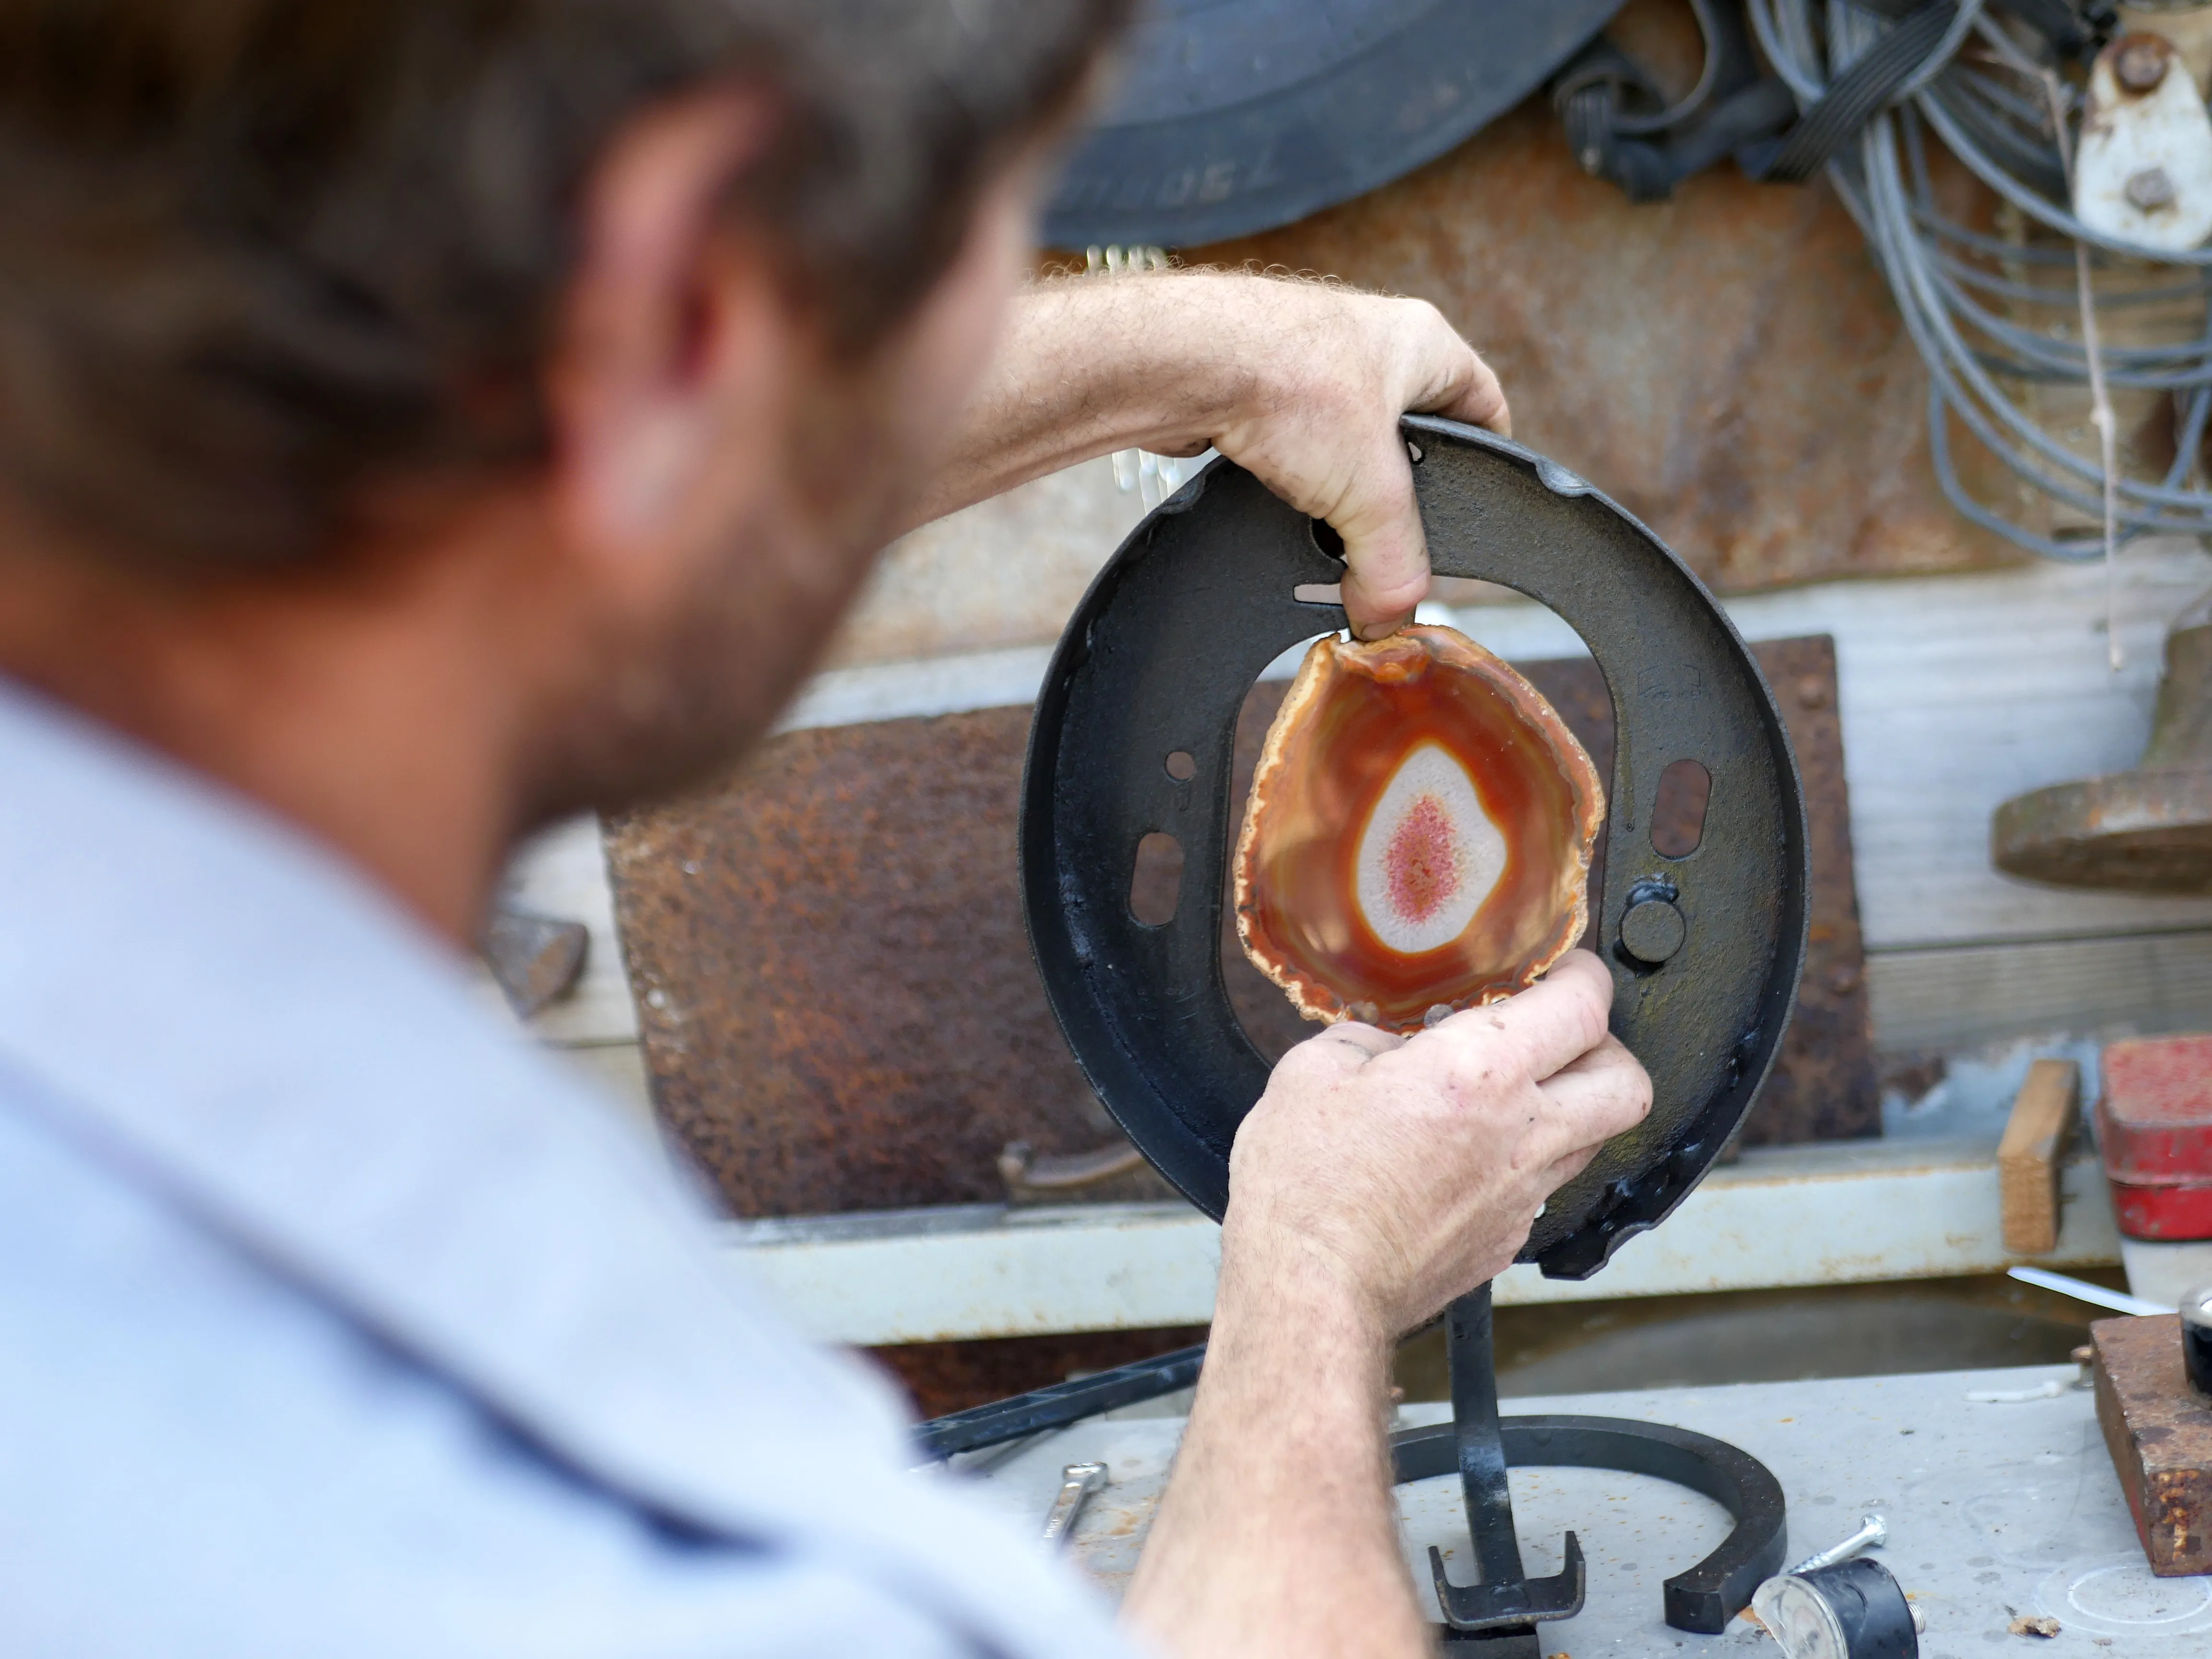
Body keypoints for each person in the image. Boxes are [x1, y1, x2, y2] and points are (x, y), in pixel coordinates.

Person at [0, 3, 1652, 1656]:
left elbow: (660, 421)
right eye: (1008, 235)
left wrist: (1196, 355)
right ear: (690, 311)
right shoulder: (544, 1576)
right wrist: (1318, 1273)